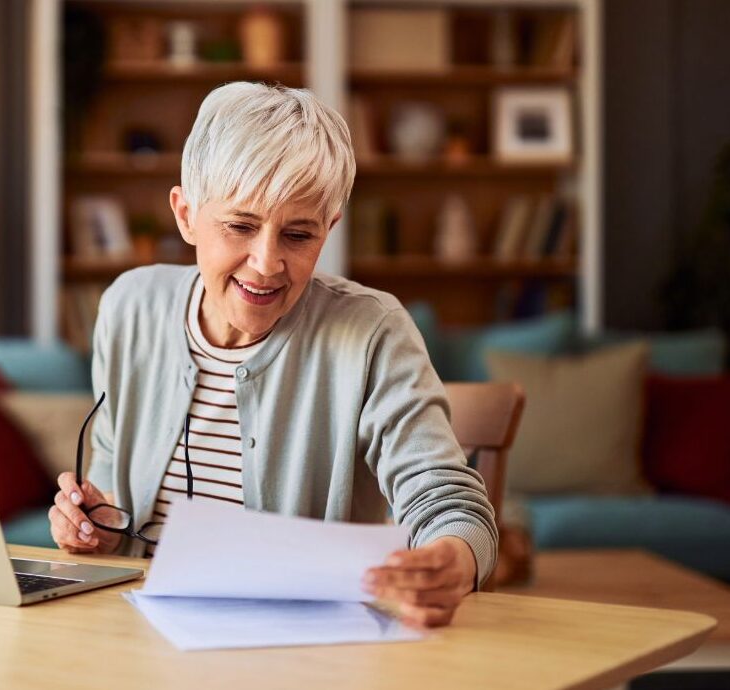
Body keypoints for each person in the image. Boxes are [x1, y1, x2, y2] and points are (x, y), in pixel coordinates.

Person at [49, 82, 497, 628]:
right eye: (240, 226)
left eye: (298, 234)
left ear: (329, 229)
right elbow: (114, 496)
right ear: (185, 214)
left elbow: (447, 500)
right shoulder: (128, 307)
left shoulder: (373, 330)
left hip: (300, 648)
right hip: (136, 634)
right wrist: (92, 526)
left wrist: (450, 560)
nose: (265, 264)